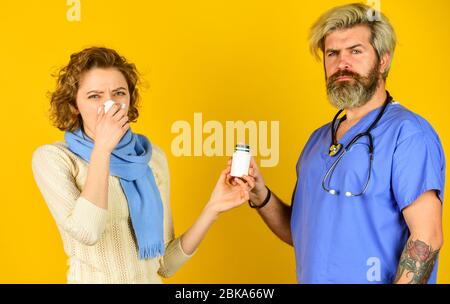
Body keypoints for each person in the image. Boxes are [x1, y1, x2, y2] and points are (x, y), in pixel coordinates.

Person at [242, 3, 445, 284]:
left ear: (383, 60)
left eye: (356, 51)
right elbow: (301, 232)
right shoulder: (317, 141)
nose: (342, 63)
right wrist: (259, 194)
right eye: (332, 53)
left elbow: (427, 238)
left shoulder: (408, 135)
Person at [32, 47, 254, 283]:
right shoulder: (54, 159)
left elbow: (165, 264)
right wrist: (102, 150)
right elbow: (88, 231)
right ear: (75, 105)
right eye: (94, 96)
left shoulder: (152, 158)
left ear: (130, 99)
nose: (110, 104)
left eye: (119, 93)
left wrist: (213, 208)